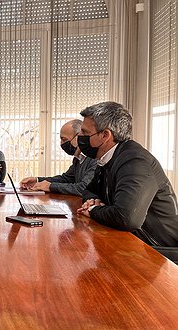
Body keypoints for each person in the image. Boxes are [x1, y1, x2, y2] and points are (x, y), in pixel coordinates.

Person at [76, 101, 178, 262]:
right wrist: (93, 201)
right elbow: (89, 190)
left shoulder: (135, 161)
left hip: (160, 255)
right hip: (133, 247)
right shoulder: (108, 158)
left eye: (85, 132)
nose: (80, 138)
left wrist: (94, 210)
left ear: (105, 135)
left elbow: (127, 218)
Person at [20, 119, 97, 196]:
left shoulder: (94, 158)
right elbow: (66, 179)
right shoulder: (78, 158)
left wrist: (50, 186)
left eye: (64, 139)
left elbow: (83, 188)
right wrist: (37, 180)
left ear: (78, 137)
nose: (61, 144)